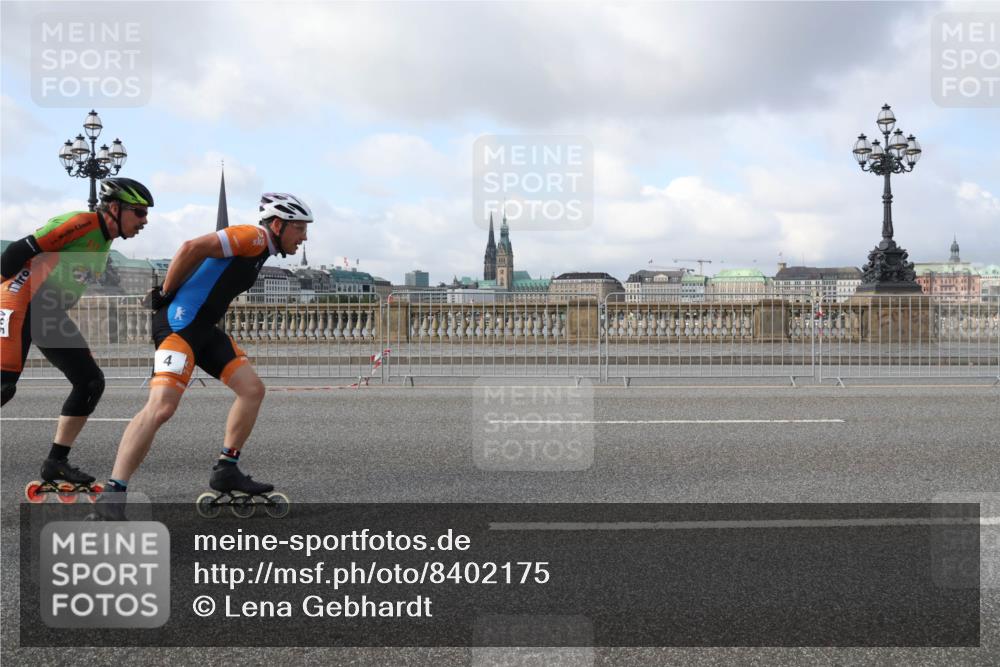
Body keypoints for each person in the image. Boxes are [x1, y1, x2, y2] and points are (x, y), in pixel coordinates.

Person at [96, 193, 311, 514]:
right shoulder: (252, 236)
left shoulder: (262, 250)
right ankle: (114, 492)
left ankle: (227, 469)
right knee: (161, 408)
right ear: (278, 225)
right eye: (299, 228)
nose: (304, 237)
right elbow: (190, 248)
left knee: (252, 390)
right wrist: (165, 291)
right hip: (179, 326)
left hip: (203, 330)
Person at [1, 178, 153, 497]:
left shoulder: (105, 241)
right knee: (3, 386)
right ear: (115, 207)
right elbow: (14, 253)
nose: (144, 221)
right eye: (139, 212)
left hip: (48, 312)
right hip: (19, 301)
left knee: (90, 382)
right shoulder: (81, 223)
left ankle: (56, 462)